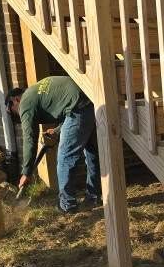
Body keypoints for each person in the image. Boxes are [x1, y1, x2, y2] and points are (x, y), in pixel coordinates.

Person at [7, 76, 101, 212]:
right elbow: (66, 104)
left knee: (65, 158)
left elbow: (29, 138)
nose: (17, 114)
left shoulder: (25, 103)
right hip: (89, 103)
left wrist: (26, 172)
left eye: (13, 110)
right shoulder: (36, 90)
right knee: (92, 154)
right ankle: (93, 197)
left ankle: (67, 205)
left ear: (15, 100)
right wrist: (57, 130)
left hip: (77, 109)